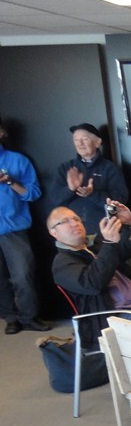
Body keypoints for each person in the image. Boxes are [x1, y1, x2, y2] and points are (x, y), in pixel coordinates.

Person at [49, 201, 131, 349]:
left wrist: (129, 224)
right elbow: (93, 284)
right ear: (54, 233)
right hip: (116, 316)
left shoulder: (95, 245)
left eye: (76, 219)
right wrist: (109, 244)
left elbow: (127, 249)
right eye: (65, 221)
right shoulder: (62, 264)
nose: (74, 223)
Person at [0, 121, 49, 335]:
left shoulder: (18, 160)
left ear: (1, 133)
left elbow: (34, 193)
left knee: (22, 275)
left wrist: (11, 182)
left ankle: (29, 317)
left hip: (14, 229)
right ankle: (10, 317)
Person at [49, 123, 129, 234]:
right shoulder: (66, 168)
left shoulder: (110, 168)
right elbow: (54, 199)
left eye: (85, 139)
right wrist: (70, 189)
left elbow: (119, 204)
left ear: (98, 142)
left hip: (103, 231)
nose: (80, 143)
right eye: (76, 140)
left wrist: (92, 194)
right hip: (73, 233)